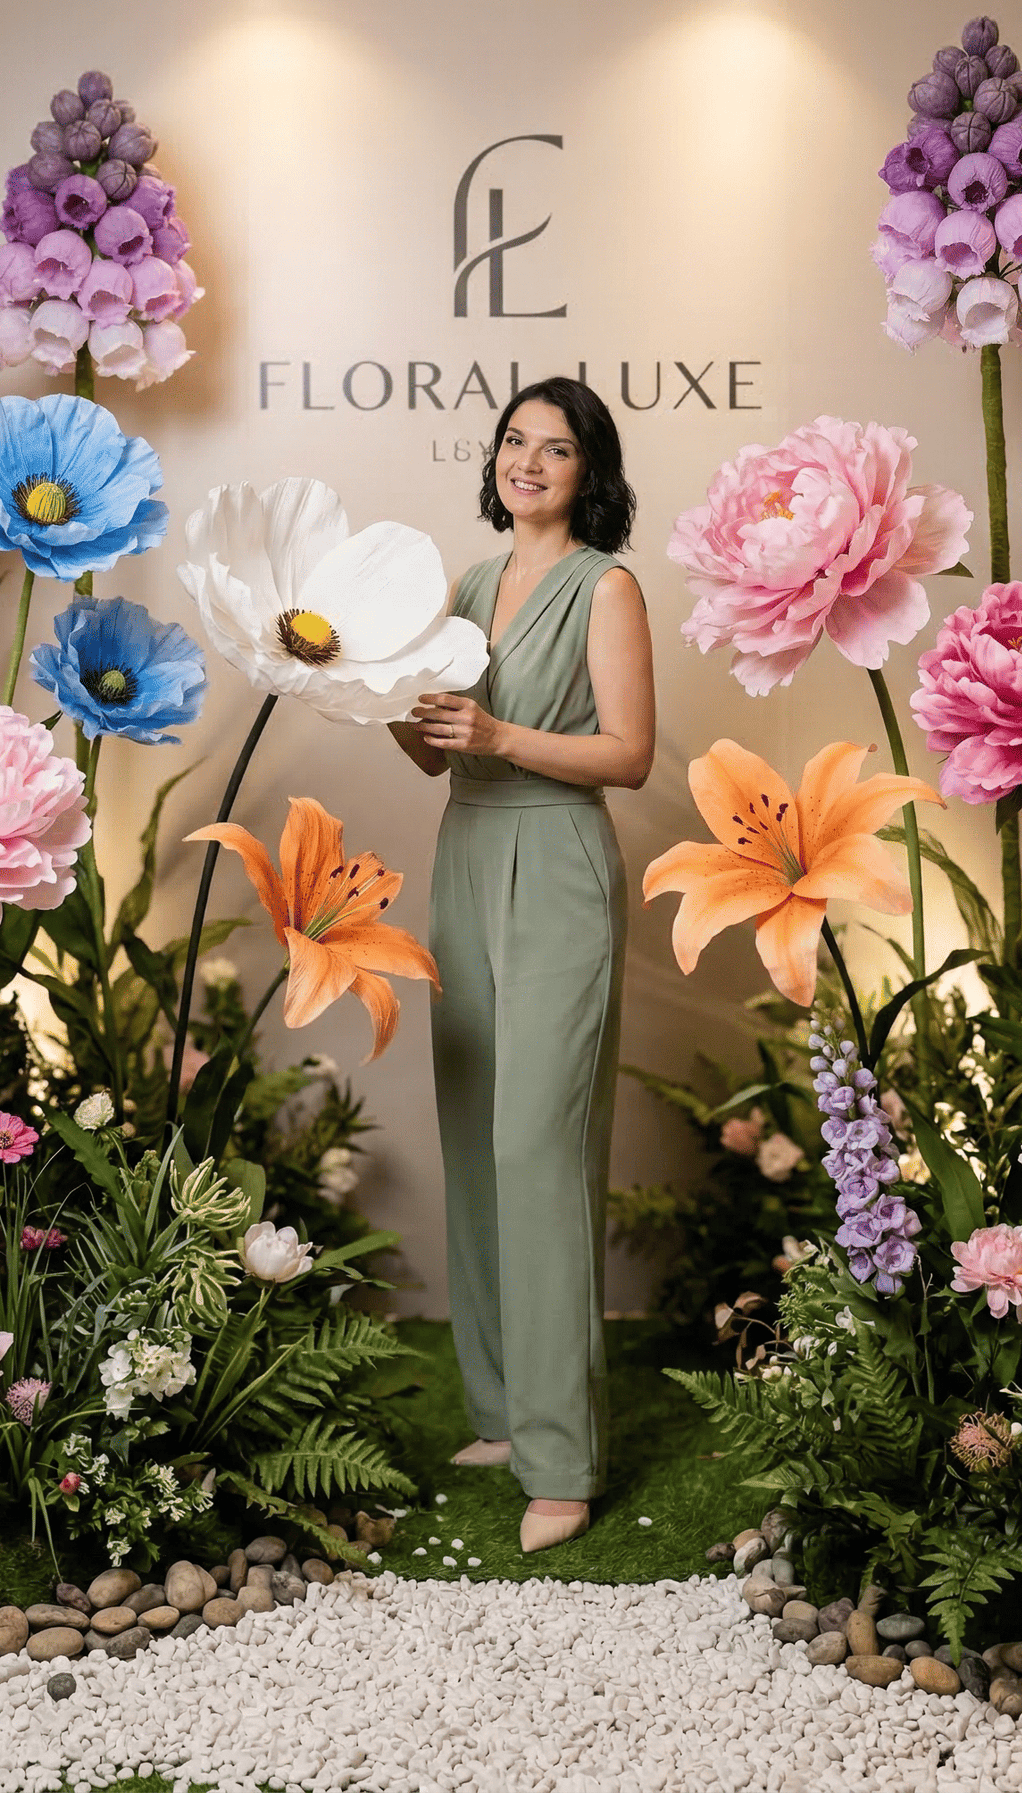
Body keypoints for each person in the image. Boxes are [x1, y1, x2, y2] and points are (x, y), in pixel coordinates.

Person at [390, 377, 655, 1553]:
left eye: (554, 448)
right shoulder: (464, 584)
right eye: (513, 441)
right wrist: (376, 694)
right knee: (473, 1135)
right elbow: (432, 757)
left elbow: (630, 754)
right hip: (466, 850)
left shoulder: (607, 586)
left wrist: (499, 734)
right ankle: (499, 1411)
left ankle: (561, 1459)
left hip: (556, 863)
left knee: (537, 1148)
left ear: (589, 472)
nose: (526, 462)